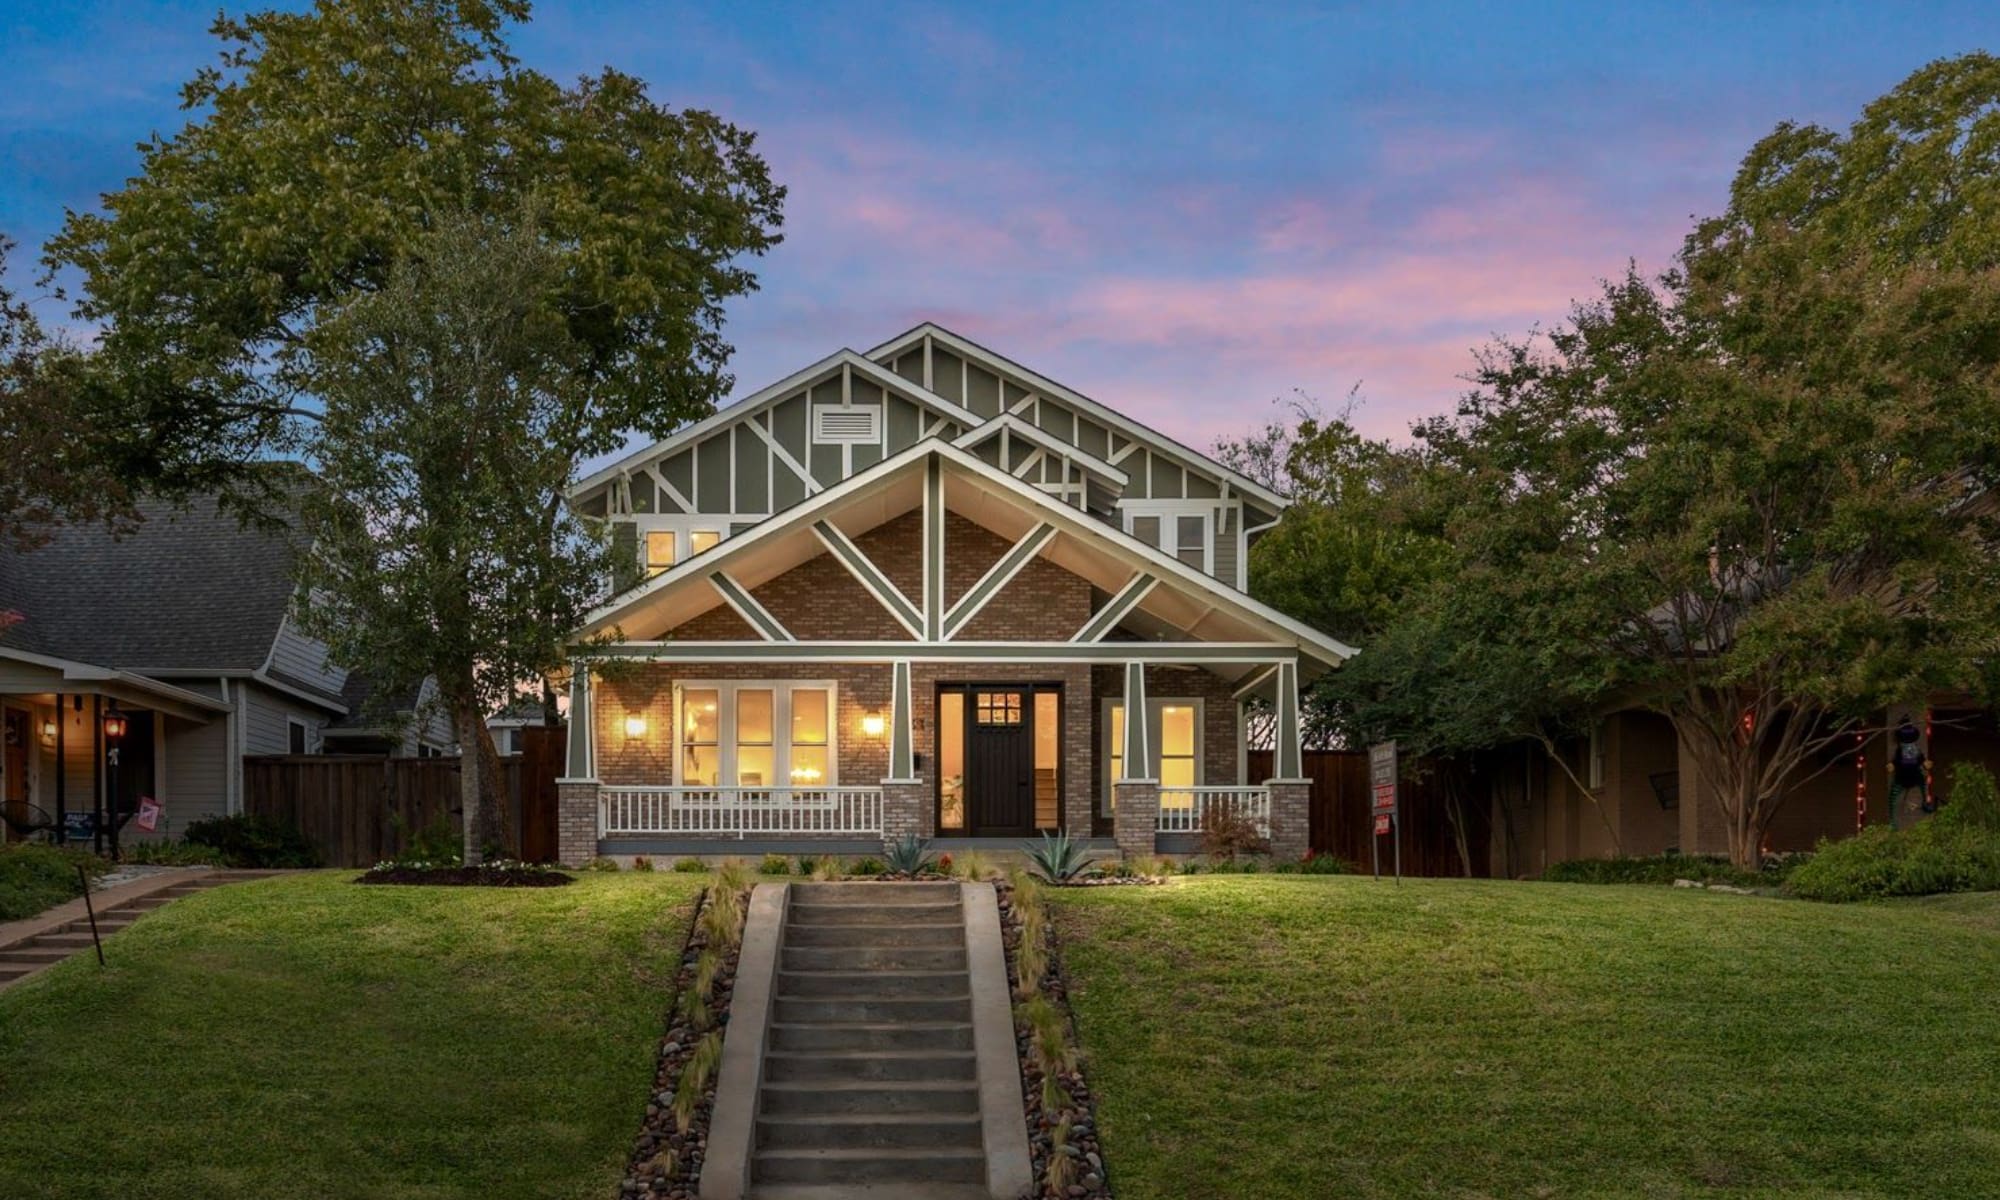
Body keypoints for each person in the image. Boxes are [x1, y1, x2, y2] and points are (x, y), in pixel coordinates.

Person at [1889, 721, 1933, 815]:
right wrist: (1893, 765)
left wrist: (1925, 762)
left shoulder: (1916, 749)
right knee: (1894, 794)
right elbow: (1897, 759)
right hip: (1902, 774)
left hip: (1914, 773)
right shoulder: (1900, 750)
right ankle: (1892, 814)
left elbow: (1920, 758)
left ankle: (1925, 802)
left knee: (1922, 783)